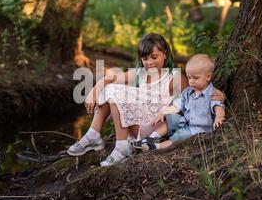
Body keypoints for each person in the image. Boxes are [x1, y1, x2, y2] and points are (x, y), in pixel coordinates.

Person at [67, 33, 224, 166]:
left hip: (153, 127)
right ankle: (94, 135)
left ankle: (121, 147)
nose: (149, 63)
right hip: (136, 127)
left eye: (154, 57)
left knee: (115, 90)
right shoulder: (140, 73)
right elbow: (110, 77)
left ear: (165, 54)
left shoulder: (174, 77)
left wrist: (218, 96)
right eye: (145, 58)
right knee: (108, 88)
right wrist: (93, 91)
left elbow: (193, 95)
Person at [135, 54, 226, 152]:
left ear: (208, 77)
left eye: (195, 78)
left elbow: (218, 107)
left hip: (198, 129)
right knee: (172, 118)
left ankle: (156, 147)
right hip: (185, 122)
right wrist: (164, 112)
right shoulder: (188, 92)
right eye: (189, 78)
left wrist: (219, 118)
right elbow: (177, 105)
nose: (191, 81)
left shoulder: (213, 94)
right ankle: (150, 139)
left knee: (179, 136)